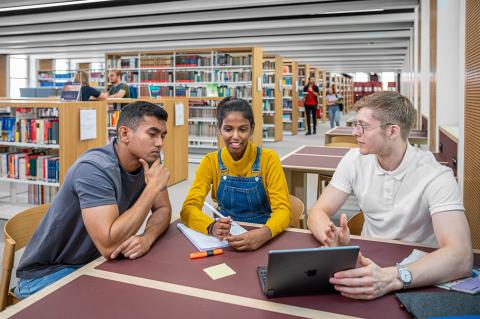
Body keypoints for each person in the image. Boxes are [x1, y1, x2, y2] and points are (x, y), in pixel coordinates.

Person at [307, 91, 473, 300]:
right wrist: (330, 236)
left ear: (393, 131)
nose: (355, 133)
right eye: (355, 125)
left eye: (363, 126)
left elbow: (461, 256)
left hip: (419, 274)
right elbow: (318, 212)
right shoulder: (354, 160)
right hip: (367, 262)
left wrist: (393, 278)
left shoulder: (436, 177)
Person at [15, 101, 172, 298]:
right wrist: (152, 189)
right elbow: (109, 245)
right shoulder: (94, 169)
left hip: (91, 262)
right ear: (124, 134)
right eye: (152, 134)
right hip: (47, 273)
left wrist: (147, 238)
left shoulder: (149, 162)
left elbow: (163, 209)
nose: (160, 143)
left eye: (163, 135)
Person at [180, 97, 291, 250]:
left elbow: (283, 210)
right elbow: (188, 208)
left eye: (242, 129)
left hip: (262, 235)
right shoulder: (210, 162)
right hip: (225, 239)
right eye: (228, 129)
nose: (236, 136)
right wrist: (211, 227)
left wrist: (264, 233)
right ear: (219, 128)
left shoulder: (269, 159)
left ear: (252, 128)